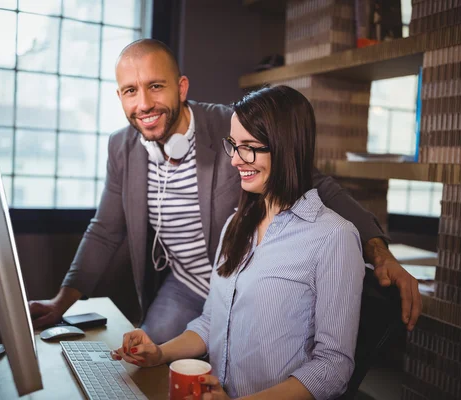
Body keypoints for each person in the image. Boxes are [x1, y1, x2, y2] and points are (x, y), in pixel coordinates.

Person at [29, 39, 421, 343]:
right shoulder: (122, 147)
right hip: (183, 286)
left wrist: (377, 248)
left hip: (241, 283)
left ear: (181, 88)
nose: (144, 103)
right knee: (145, 360)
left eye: (155, 86)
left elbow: (315, 181)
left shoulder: (230, 125)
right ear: (120, 97)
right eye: (130, 91)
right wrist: (61, 302)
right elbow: (105, 230)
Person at [112, 85, 365, 399]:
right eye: (233, 144)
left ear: (287, 147)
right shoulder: (236, 225)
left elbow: (333, 368)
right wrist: (160, 353)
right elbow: (212, 321)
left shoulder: (334, 238)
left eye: (250, 146)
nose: (235, 160)